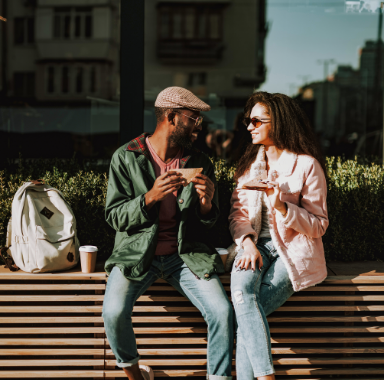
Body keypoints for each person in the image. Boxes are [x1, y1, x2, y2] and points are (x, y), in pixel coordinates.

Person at [102, 87, 234, 380]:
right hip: (136, 255)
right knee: (112, 312)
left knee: (222, 313)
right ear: (171, 117)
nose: (199, 126)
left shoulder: (199, 161)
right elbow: (114, 216)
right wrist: (149, 198)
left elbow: (208, 223)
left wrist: (206, 205)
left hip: (185, 256)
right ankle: (136, 376)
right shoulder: (126, 157)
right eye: (193, 119)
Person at [227, 91, 329, 380]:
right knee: (241, 295)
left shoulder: (307, 165)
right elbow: (237, 216)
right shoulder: (249, 167)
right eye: (248, 120)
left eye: (257, 120)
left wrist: (282, 206)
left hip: (294, 249)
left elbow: (319, 225)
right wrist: (246, 242)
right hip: (253, 245)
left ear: (279, 122)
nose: (250, 126)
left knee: (244, 313)